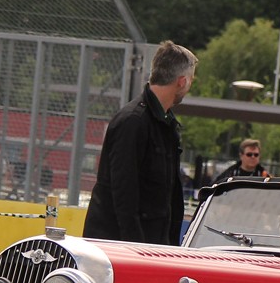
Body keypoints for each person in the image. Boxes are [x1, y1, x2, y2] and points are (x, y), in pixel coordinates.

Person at [83, 40, 197, 245]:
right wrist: (135, 247)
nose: (189, 86)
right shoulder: (133, 121)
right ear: (181, 81)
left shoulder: (164, 123)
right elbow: (123, 192)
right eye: (191, 80)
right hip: (121, 248)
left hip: (149, 244)